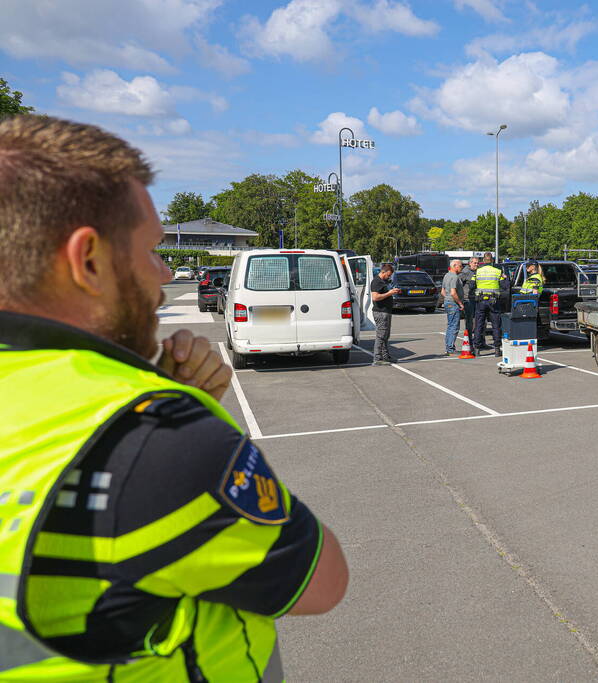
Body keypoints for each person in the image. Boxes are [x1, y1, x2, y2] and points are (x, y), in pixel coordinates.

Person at [0, 115, 347, 681]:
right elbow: (321, 580)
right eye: (152, 250)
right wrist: (187, 408)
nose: (164, 275)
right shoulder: (150, 436)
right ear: (88, 261)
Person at [472, 252, 508, 354]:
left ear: (483, 261)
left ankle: (477, 349)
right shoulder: (498, 271)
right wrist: (505, 278)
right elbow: (505, 286)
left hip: (481, 301)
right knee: (496, 325)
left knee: (479, 324)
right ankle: (497, 349)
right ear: (492, 260)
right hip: (494, 301)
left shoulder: (478, 271)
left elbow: (471, 285)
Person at [370, 262, 400, 365]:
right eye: (388, 274)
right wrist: (389, 293)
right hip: (380, 312)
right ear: (384, 272)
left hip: (386, 311)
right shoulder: (376, 282)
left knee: (386, 335)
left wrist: (392, 291)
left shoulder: (383, 281)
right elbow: (375, 297)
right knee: (381, 335)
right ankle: (377, 358)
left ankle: (385, 356)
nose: (389, 276)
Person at [442, 259, 465, 355]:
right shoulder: (454, 277)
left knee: (450, 326)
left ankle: (449, 347)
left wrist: (447, 299)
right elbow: (453, 293)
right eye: (460, 266)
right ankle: (450, 349)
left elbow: (443, 292)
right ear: (454, 266)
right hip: (453, 303)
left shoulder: (446, 275)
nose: (461, 267)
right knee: (454, 327)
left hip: (448, 302)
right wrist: (460, 303)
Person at [458, 256, 479, 354]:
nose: (476, 265)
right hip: (468, 300)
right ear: (470, 263)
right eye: (474, 263)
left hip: (477, 299)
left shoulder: (478, 272)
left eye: (477, 263)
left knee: (479, 322)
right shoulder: (465, 273)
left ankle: (480, 342)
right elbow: (458, 285)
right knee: (470, 323)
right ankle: (470, 343)